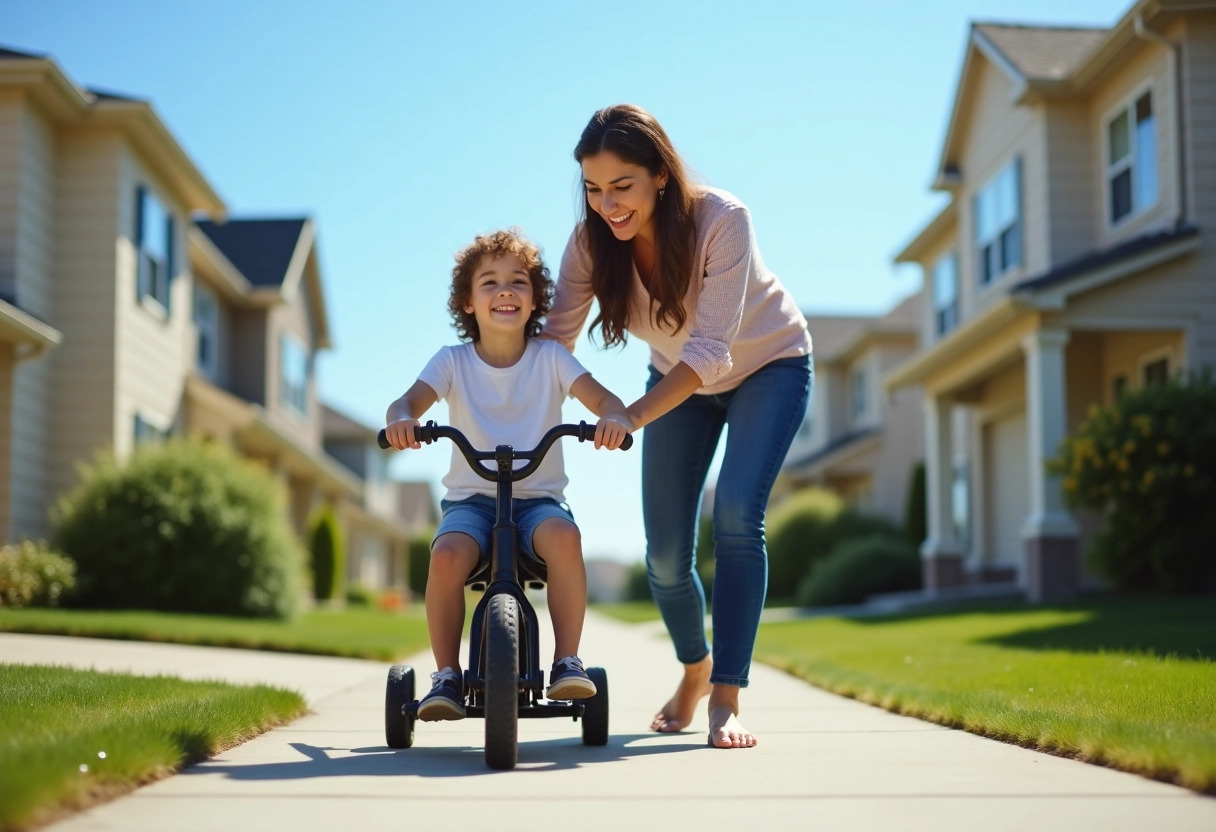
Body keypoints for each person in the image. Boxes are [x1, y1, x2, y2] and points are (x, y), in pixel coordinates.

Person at [542, 104, 814, 749]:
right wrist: (493, 391)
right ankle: (695, 667)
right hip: (678, 386)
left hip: (768, 366)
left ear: (660, 174)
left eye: (622, 186)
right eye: (593, 188)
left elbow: (712, 350)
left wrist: (627, 416)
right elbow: (555, 340)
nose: (607, 204)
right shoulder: (590, 245)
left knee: (739, 516)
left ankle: (727, 696)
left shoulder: (723, 220)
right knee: (665, 557)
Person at [384, 228, 631, 721]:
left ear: (534, 297)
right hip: (472, 502)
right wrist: (401, 421)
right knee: (447, 553)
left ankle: (567, 661)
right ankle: (447, 675)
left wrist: (614, 418)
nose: (505, 291)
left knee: (565, 536)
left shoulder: (552, 358)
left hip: (539, 501)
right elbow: (407, 401)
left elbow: (604, 400)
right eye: (489, 282)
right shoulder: (452, 362)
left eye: (518, 281)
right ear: (468, 302)